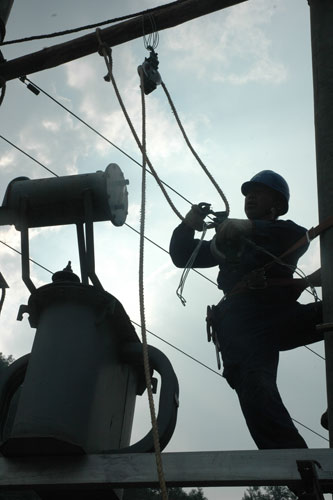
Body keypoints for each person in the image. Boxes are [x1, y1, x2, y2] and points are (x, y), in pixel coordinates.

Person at [169, 170, 323, 449]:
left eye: (259, 192)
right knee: (256, 388)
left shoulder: (282, 232)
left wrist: (247, 228)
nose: (251, 196)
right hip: (244, 323)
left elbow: (295, 235)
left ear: (276, 204)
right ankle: (294, 463)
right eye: (248, 192)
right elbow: (182, 256)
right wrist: (188, 224)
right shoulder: (227, 243)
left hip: (279, 314)